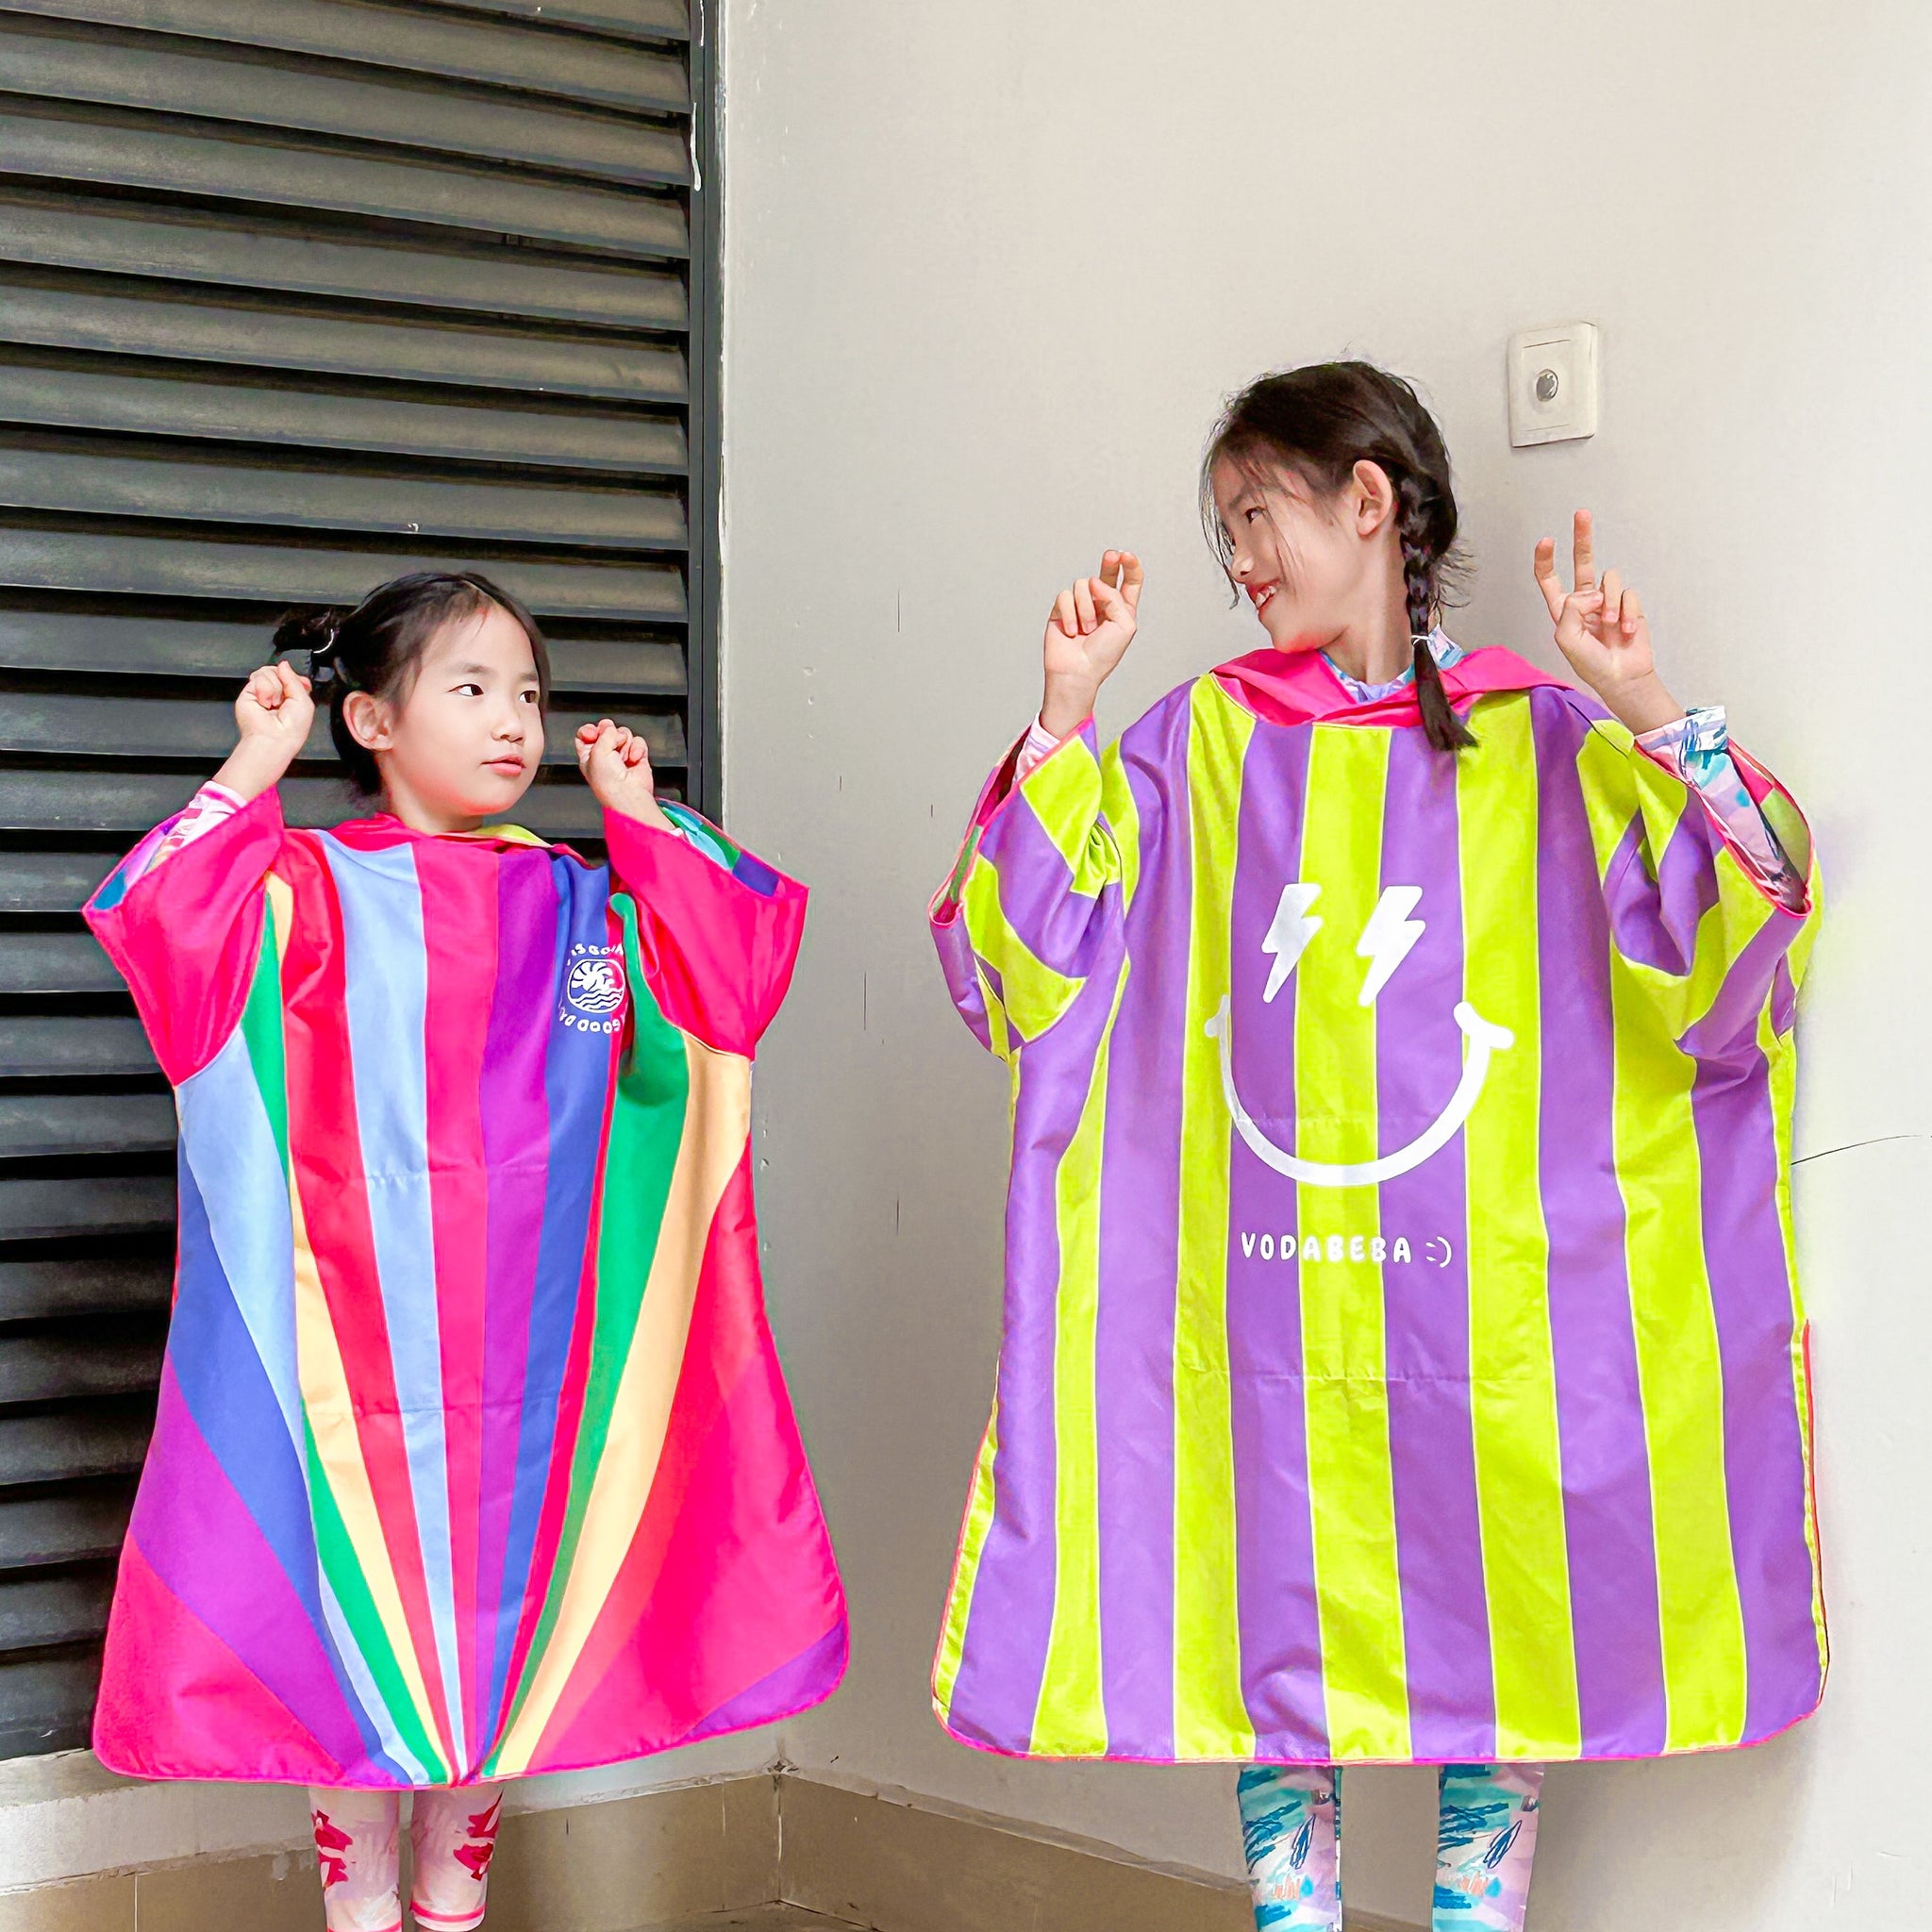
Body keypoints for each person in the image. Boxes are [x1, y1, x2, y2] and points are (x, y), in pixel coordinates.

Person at [927, 363, 1821, 1931]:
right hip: (1264, 1303)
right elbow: (1027, 963)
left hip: (1491, 1306)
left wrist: (1644, 704)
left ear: (1366, 501)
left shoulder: (1541, 737)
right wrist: (1064, 715)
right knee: (1270, 1630)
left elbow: (1737, 936)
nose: (1241, 561)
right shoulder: (1199, 744)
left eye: (1255, 516)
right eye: (1225, 533)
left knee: (1507, 1625)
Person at [85, 572, 846, 1932]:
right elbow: (160, 920)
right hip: (345, 1381)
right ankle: (362, 1908)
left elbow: (731, 970)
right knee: (348, 1663)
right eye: (474, 688)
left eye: (531, 695)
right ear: (371, 720)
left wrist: (639, 819)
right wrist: (256, 762)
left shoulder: (586, 905)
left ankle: (453, 1902)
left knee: (503, 1660)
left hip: (542, 1386)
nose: (515, 723)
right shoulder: (301, 895)